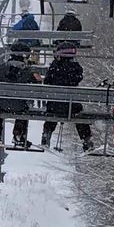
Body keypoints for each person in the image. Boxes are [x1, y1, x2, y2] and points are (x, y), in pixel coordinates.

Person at [39, 12, 92, 152]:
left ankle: (47, 134)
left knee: (52, 112)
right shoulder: (75, 67)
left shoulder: (54, 67)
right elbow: (78, 77)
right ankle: (86, 139)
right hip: (71, 104)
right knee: (79, 115)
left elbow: (48, 81)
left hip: (55, 103)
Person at [0, 43, 40, 150]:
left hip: (2, 105)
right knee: (23, 111)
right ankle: (19, 135)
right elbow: (36, 86)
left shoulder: (1, 68)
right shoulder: (28, 71)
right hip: (20, 106)